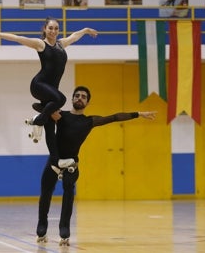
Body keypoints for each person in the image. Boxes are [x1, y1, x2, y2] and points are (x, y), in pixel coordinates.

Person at [36, 86, 156, 244]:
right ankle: (42, 225)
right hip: (54, 160)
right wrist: (49, 110)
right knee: (46, 193)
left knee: (69, 194)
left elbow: (114, 117)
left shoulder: (89, 121)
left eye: (83, 97)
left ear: (87, 103)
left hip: (71, 163)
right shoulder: (61, 115)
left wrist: (138, 114)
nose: (80, 98)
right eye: (77, 95)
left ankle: (64, 230)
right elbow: (36, 106)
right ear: (71, 99)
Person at [0, 18, 98, 146]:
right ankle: (38, 119)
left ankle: (55, 161)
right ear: (45, 29)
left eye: (56, 28)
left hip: (51, 91)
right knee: (61, 99)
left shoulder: (61, 44)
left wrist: (86, 30)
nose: (53, 31)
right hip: (39, 85)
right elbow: (18, 38)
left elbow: (74, 36)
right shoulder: (40, 44)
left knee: (50, 126)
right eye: (50, 28)